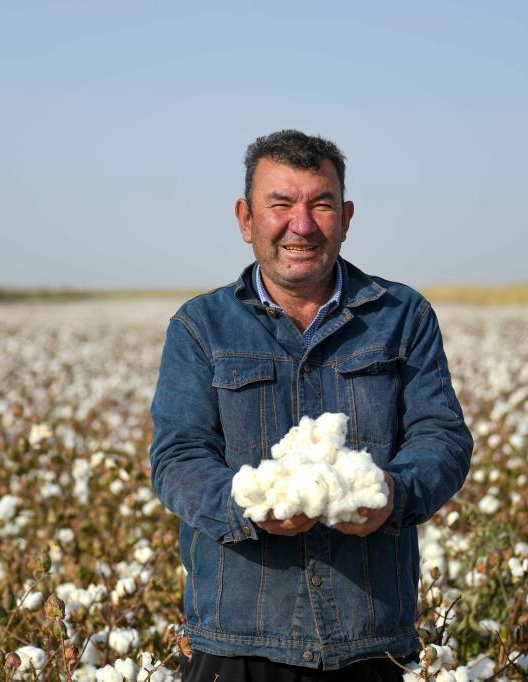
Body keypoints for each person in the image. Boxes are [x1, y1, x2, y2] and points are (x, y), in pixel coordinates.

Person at [149, 130, 473, 681]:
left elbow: (442, 438)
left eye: (321, 205)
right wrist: (251, 508)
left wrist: (392, 495)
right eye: (280, 205)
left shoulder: (403, 317)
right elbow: (177, 460)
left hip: (371, 643)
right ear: (246, 219)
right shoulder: (199, 327)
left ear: (345, 218)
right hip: (238, 642)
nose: (301, 225)